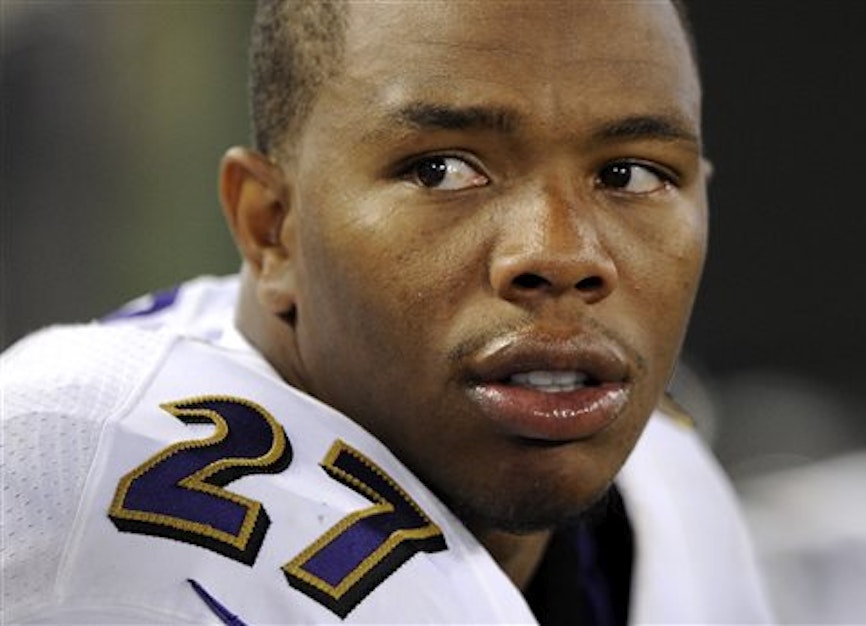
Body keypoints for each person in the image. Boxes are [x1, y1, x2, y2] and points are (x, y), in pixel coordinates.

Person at [1, 1, 772, 624]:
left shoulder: (670, 485)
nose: (562, 254)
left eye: (631, 173)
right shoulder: (70, 460)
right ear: (272, 228)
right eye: (442, 170)